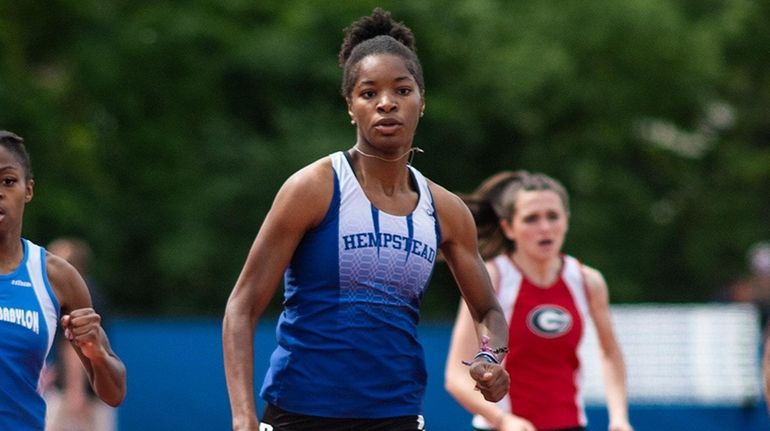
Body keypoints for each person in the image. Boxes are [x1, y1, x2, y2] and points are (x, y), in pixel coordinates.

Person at [222, 8, 509, 431]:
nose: (387, 103)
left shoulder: (445, 209)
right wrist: (243, 418)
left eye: (402, 90)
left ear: (422, 103)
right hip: (302, 414)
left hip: (396, 415)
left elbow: (488, 311)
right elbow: (241, 307)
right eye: (369, 93)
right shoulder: (314, 188)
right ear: (350, 107)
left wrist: (489, 356)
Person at [444, 171, 632, 431]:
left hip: (570, 425)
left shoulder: (588, 281)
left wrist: (619, 418)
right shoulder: (492, 278)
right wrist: (503, 419)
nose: (545, 227)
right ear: (509, 228)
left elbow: (610, 353)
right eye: (531, 218)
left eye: (552, 216)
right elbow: (455, 375)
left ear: (566, 220)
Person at [0, 130, 126, 430]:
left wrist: (95, 350)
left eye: (8, 181)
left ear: (28, 190)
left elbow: (114, 391)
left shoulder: (56, 277)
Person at [43, 237, 117, 431]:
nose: (47, 262)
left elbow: (77, 345)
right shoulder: (90, 291)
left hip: (78, 394)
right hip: (93, 390)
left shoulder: (75, 294)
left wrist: (75, 390)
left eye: (55, 257)